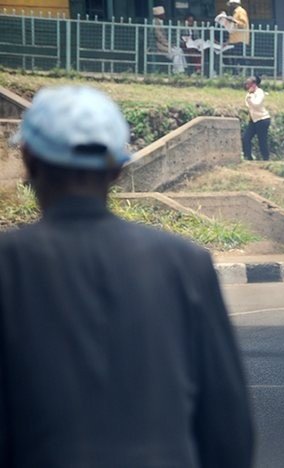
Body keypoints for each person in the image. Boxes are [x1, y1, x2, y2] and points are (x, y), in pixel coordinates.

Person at [0, 86, 254, 468]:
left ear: (29, 159)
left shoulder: (9, 265)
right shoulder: (186, 264)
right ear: (118, 168)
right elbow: (229, 431)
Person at [243, 75, 271, 161]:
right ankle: (248, 157)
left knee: (262, 141)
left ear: (254, 85)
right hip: (253, 120)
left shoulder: (260, 92)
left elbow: (256, 104)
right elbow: (248, 104)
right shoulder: (250, 94)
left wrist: (250, 98)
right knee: (245, 138)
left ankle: (266, 159)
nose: (247, 86)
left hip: (262, 120)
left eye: (248, 84)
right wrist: (250, 96)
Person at [152, 6, 186, 74]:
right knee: (176, 53)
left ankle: (183, 68)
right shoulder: (156, 24)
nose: (164, 15)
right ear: (159, 15)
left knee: (179, 50)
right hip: (160, 46)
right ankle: (176, 71)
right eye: (163, 14)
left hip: (165, 44)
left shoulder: (160, 22)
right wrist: (169, 45)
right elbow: (160, 38)